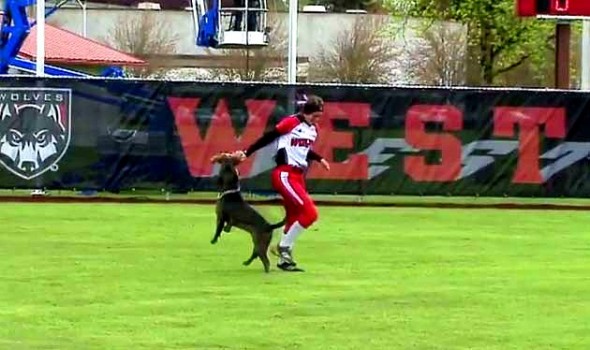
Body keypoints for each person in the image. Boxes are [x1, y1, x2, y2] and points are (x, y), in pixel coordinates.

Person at [233, 95, 330, 272]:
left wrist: (319, 158)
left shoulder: (313, 129)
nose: (317, 120)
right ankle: (283, 247)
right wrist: (247, 152)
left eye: (319, 116)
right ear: (306, 112)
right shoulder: (291, 122)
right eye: (314, 116)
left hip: (298, 176)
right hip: (285, 174)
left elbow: (302, 149)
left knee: (293, 217)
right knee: (310, 213)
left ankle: (284, 260)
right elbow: (269, 137)